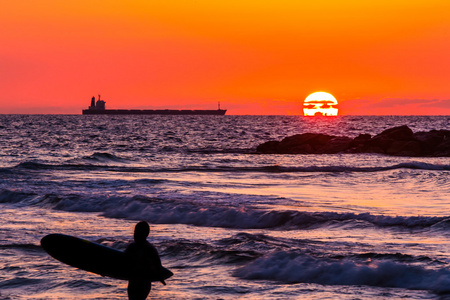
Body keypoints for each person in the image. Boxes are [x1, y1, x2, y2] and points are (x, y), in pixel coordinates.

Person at [125, 221, 165, 300]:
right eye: (135, 232)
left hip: (144, 283)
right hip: (133, 281)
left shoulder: (150, 249)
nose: (135, 235)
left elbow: (158, 265)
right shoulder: (131, 247)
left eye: (138, 233)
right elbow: (121, 261)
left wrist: (160, 277)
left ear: (145, 235)